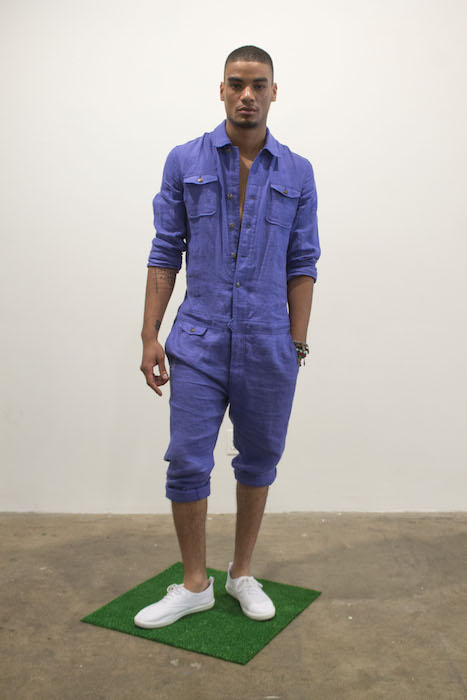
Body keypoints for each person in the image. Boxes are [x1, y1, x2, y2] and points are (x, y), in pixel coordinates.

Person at [135, 45, 321, 629]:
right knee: (187, 460)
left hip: (269, 341)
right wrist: (149, 335)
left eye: (258, 85)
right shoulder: (183, 160)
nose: (247, 95)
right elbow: (165, 250)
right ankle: (195, 584)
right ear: (221, 90)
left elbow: (303, 262)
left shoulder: (297, 172)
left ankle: (241, 573)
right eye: (236, 83)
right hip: (198, 339)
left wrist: (295, 343)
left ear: (274, 92)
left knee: (259, 459)